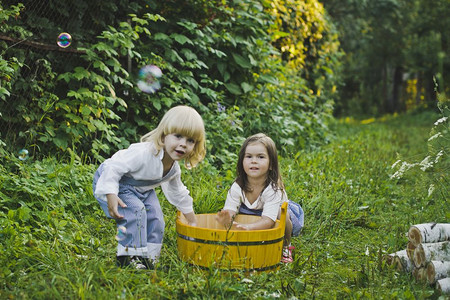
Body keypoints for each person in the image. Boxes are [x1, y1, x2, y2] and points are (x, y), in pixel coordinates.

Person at [93, 105, 206, 269]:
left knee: (156, 217)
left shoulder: (173, 169)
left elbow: (178, 193)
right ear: (164, 136)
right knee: (136, 211)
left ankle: (149, 260)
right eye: (178, 136)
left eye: (190, 140)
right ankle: (128, 258)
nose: (183, 144)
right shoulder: (144, 154)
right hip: (116, 181)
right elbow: (113, 168)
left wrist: (192, 221)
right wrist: (111, 193)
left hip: (142, 190)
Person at [216, 133, 304, 263]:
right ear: (242, 161)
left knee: (281, 213)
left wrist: (250, 227)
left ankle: (286, 247)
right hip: (251, 212)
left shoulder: (273, 189)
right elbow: (230, 210)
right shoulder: (237, 186)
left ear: (271, 164)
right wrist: (227, 218)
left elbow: (269, 220)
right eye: (249, 156)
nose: (254, 161)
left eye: (261, 157)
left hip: (278, 216)